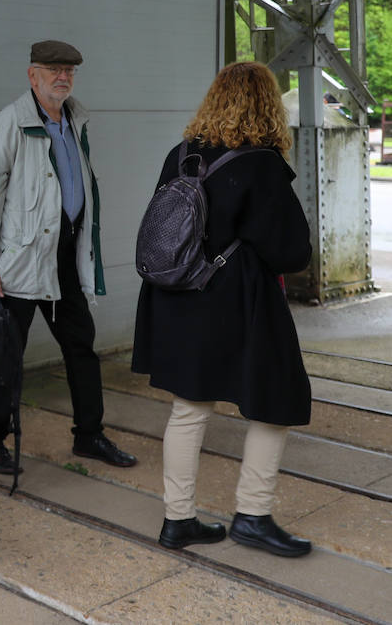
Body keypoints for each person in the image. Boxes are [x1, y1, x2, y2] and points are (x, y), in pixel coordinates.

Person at [133, 62, 313, 557]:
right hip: (237, 301)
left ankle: (178, 520)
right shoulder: (262, 165)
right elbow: (292, 252)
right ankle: (253, 516)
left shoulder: (182, 153)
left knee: (189, 408)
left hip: (175, 298)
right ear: (268, 106)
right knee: (277, 399)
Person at [0, 40, 136, 475]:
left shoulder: (75, 119)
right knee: (8, 354)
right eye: (53, 69)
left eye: (69, 71)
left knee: (81, 347)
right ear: (32, 75)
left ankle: (89, 435)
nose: (63, 77)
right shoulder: (12, 123)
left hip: (63, 256)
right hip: (22, 261)